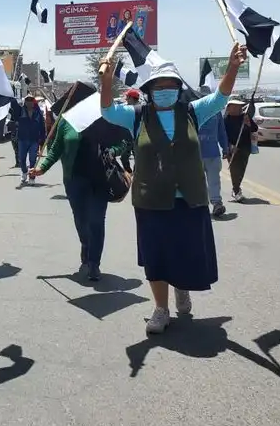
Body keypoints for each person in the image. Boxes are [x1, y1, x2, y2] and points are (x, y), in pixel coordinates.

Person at [98, 43, 247, 334]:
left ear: (179, 89)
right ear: (149, 89)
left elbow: (221, 98)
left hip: (189, 199)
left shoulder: (193, 112)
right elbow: (107, 110)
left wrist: (232, 68)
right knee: (156, 256)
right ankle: (160, 309)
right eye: (158, 86)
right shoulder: (137, 116)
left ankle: (181, 287)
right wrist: (106, 80)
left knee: (185, 253)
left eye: (170, 85)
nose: (164, 90)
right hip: (150, 201)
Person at [28, 87, 125, 281]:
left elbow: (123, 142)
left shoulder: (104, 119)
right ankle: (86, 246)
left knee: (96, 221)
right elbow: (56, 148)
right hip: (74, 180)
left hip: (100, 179)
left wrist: (114, 151)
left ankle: (94, 263)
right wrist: (42, 168)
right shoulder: (66, 121)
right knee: (81, 221)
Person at [196, 86, 230, 217]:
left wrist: (225, 148)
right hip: (194, 155)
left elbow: (222, 132)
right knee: (197, 182)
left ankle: (217, 204)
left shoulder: (216, 113)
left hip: (212, 153)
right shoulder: (192, 111)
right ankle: (200, 206)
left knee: (214, 181)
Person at [223, 97, 258, 202]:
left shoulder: (245, 117)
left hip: (244, 147)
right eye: (234, 106)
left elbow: (254, 128)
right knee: (234, 170)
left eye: (238, 107)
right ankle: (236, 190)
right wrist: (229, 146)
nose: (237, 109)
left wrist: (249, 123)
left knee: (241, 169)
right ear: (228, 108)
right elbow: (222, 135)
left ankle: (236, 188)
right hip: (231, 148)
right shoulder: (225, 120)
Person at [15, 95, 46, 186]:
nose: (29, 103)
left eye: (31, 101)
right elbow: (13, 107)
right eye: (27, 101)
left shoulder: (38, 113)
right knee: (21, 158)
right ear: (25, 102)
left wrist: (42, 139)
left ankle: (32, 177)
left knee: (33, 159)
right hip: (22, 139)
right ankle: (24, 172)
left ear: (33, 102)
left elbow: (42, 126)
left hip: (34, 140)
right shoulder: (20, 111)